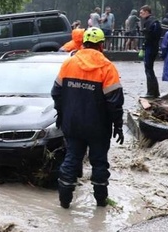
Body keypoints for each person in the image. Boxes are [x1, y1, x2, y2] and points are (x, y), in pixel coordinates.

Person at [51, 27, 124, 209]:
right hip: (99, 127)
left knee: (72, 158)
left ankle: (65, 201)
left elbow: (56, 93)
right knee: (99, 162)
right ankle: (100, 202)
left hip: (73, 124)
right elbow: (115, 102)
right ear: (101, 45)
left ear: (83, 42)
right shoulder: (107, 67)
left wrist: (61, 115)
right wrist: (118, 125)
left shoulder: (69, 64)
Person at [139, 5, 162, 98]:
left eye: (141, 12)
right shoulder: (154, 21)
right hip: (153, 46)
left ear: (146, 12)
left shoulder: (150, 22)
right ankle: (154, 91)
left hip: (151, 47)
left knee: (148, 69)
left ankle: (151, 91)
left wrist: (145, 34)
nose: (140, 15)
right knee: (149, 69)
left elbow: (151, 35)